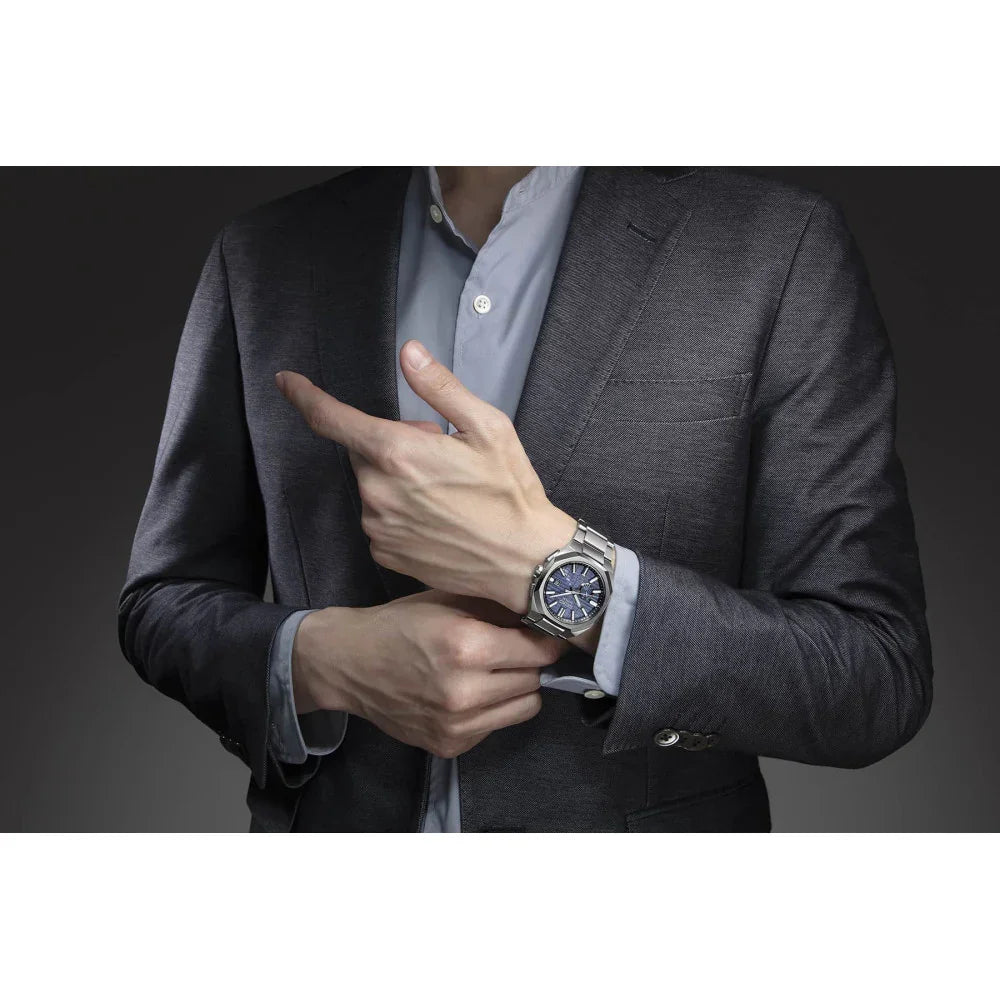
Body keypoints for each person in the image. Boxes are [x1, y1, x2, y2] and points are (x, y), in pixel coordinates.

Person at [118, 165, 933, 832]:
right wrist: (322, 661)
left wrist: (552, 571)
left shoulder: (774, 247)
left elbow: (871, 673)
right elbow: (163, 601)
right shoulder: (263, 254)